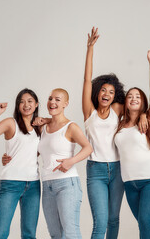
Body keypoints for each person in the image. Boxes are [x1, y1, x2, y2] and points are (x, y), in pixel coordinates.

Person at [82, 27, 147, 239]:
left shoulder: (117, 110)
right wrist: (90, 48)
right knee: (100, 220)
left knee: (113, 219)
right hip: (96, 171)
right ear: (97, 92)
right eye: (103, 90)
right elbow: (86, 79)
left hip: (118, 169)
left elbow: (136, 106)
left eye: (111, 92)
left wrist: (144, 114)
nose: (107, 94)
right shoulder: (89, 112)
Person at [114, 50, 150, 239]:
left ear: (143, 101)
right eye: (130, 96)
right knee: (144, 225)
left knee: (146, 221)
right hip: (130, 182)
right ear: (125, 103)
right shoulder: (119, 124)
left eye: (138, 96)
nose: (134, 98)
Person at [0, 88, 41, 239]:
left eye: (30, 101)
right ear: (17, 106)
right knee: (0, 234)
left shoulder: (40, 126)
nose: (26, 105)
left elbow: (36, 152)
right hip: (11, 183)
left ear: (37, 104)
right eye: (21, 102)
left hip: (33, 185)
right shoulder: (11, 123)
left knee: (29, 234)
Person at [39, 88, 93, 239]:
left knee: (70, 233)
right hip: (47, 185)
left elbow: (88, 147)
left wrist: (71, 161)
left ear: (65, 104)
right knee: (55, 234)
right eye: (50, 98)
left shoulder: (71, 126)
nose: (52, 102)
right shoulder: (43, 128)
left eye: (57, 99)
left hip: (67, 184)